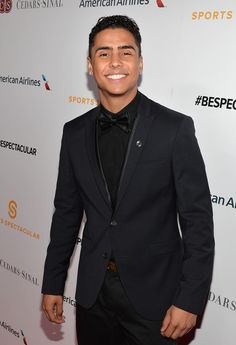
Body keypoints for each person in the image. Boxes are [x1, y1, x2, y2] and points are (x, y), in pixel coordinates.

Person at [42, 15, 214, 345]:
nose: (115, 62)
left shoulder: (173, 129)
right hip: (94, 297)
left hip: (156, 300)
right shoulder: (74, 132)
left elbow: (198, 222)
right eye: (104, 53)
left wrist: (190, 299)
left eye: (126, 51)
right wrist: (52, 282)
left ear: (140, 62)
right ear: (90, 65)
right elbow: (66, 214)